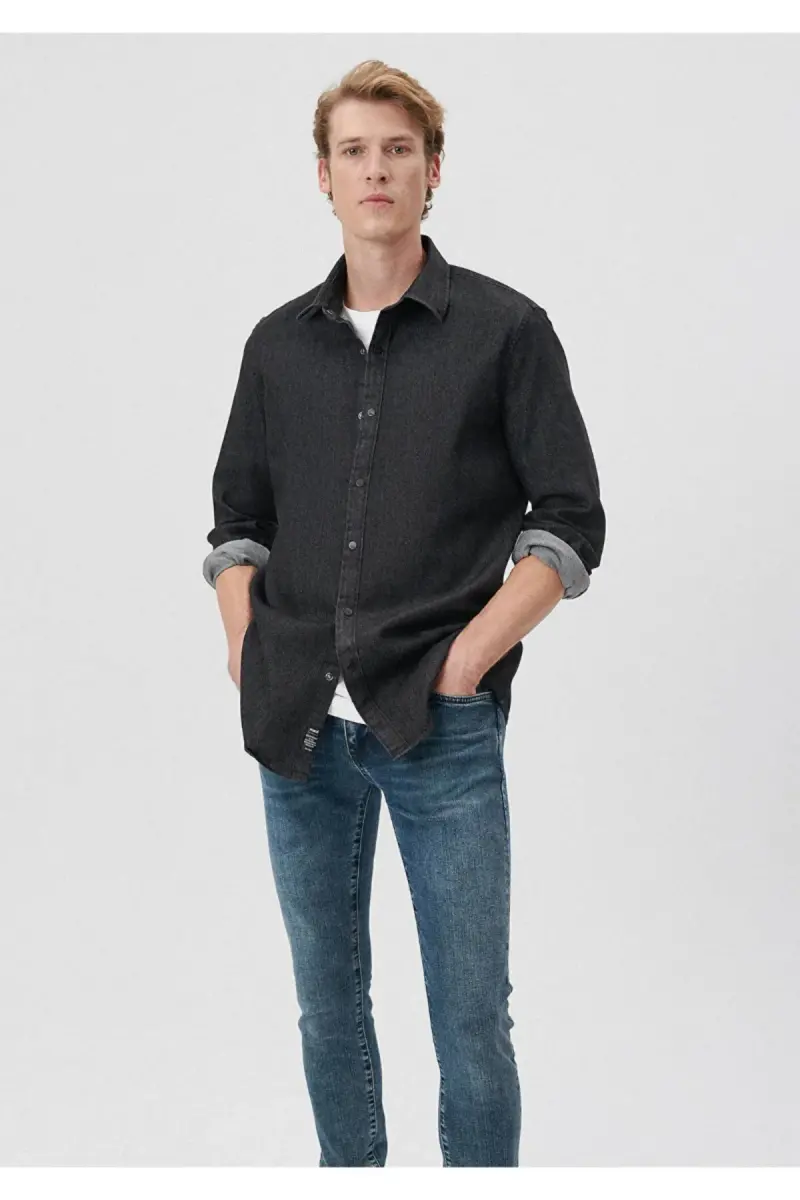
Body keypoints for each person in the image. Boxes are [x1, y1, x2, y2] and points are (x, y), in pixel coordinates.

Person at [202, 58, 605, 1168]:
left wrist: (468, 658)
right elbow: (237, 522)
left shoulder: (505, 330)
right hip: (298, 724)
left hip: (440, 722)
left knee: (471, 1021)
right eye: (353, 151)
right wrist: (246, 641)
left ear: (433, 171)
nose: (375, 170)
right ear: (322, 176)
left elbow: (571, 520)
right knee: (326, 1008)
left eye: (397, 151)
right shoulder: (277, 346)